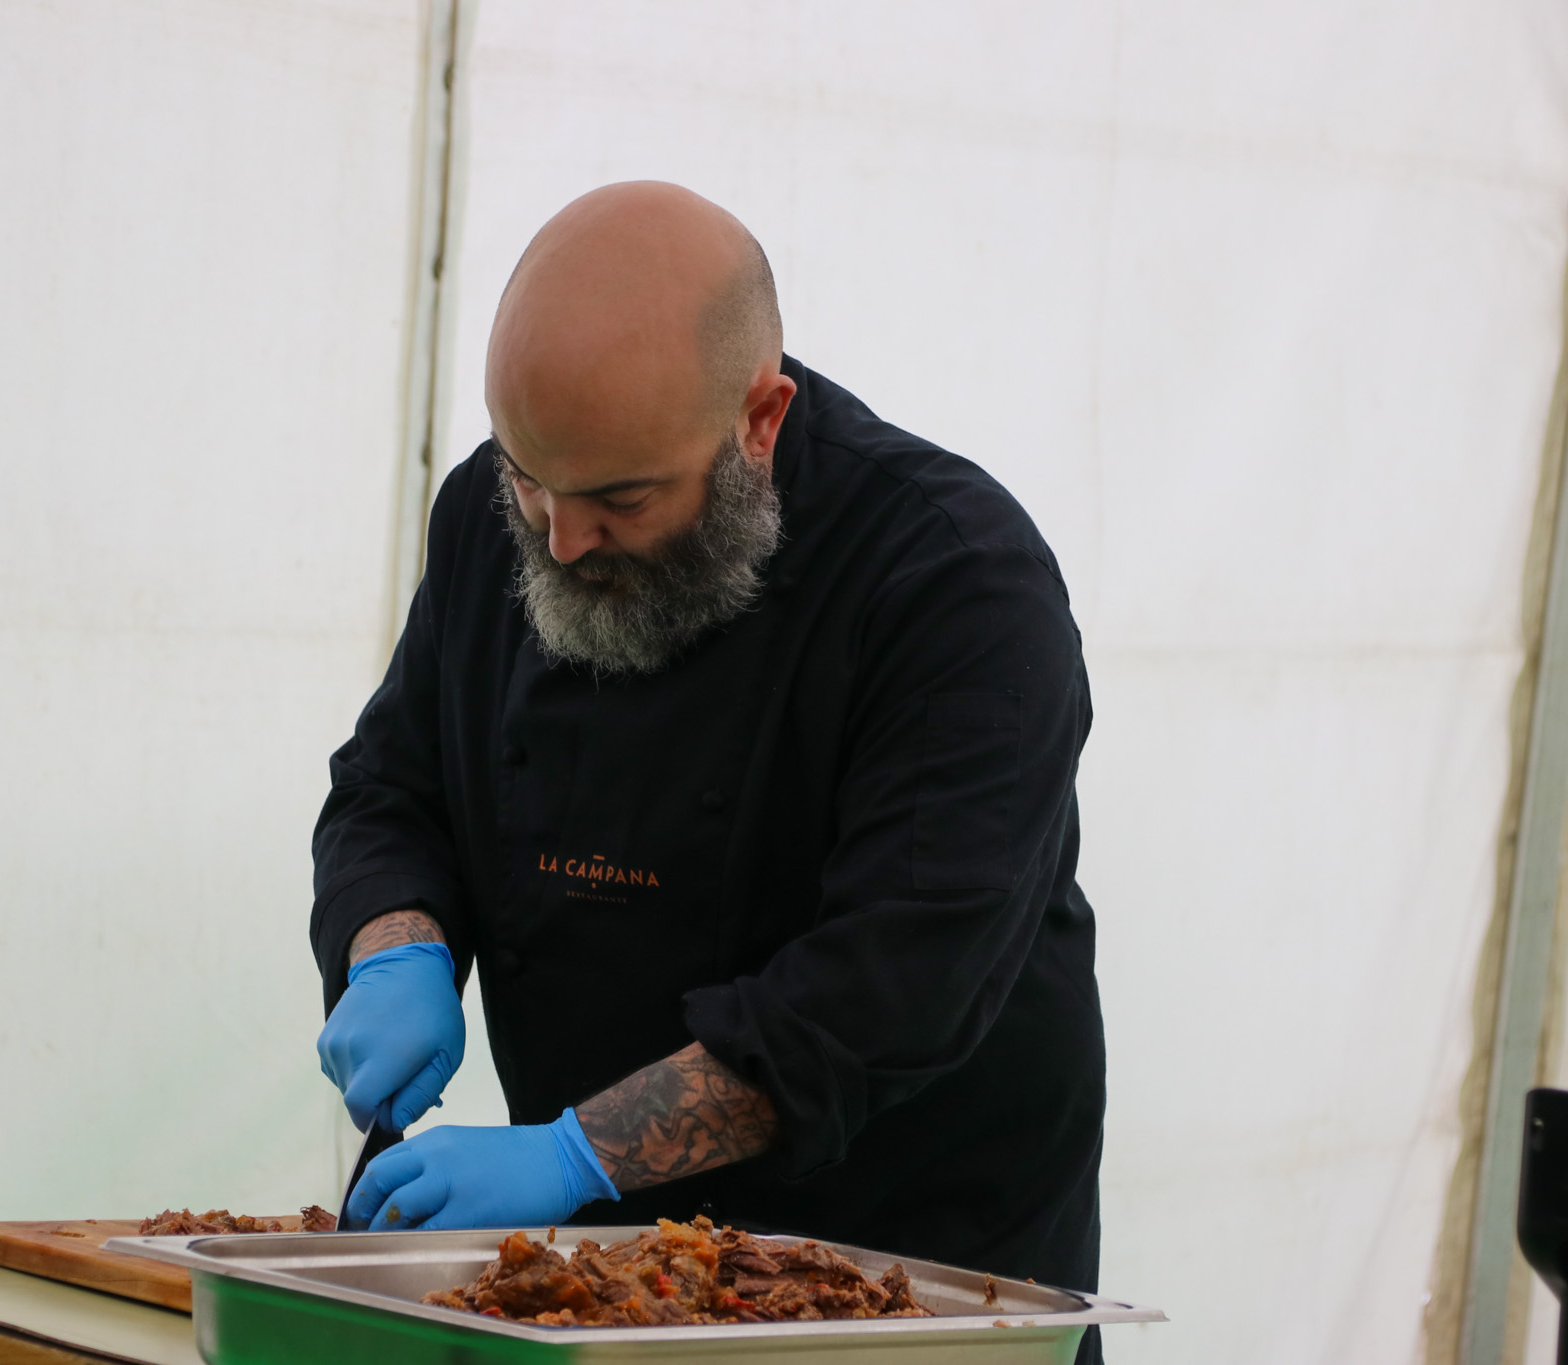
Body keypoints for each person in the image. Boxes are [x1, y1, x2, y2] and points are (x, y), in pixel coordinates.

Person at [310, 181, 1107, 1333]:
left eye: (620, 499)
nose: (562, 539)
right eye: (527, 477)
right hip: (602, 1294)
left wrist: (575, 1155)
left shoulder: (952, 580)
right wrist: (395, 949)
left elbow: (893, 986)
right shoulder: (500, 522)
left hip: (906, 1292)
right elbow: (394, 790)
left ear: (758, 420)